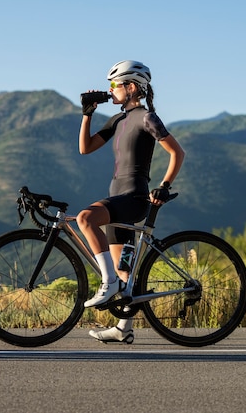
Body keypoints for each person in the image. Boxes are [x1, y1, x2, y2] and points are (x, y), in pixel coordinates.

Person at [77, 60, 185, 343]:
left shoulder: (146, 117)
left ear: (132, 87)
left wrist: (163, 185)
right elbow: (85, 148)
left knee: (85, 219)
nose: (110, 90)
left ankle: (107, 282)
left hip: (133, 199)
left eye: (115, 85)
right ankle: (123, 328)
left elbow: (177, 153)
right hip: (118, 200)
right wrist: (87, 114)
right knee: (125, 273)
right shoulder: (118, 120)